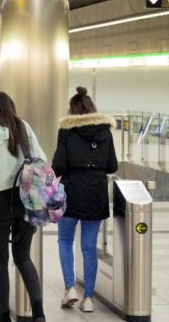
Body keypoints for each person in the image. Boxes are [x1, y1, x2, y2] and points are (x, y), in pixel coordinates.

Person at [0, 92, 46, 322]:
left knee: (0, 260)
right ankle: (39, 314)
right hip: (27, 198)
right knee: (23, 257)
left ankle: (4, 315)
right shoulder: (23, 127)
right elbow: (40, 159)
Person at [51, 87, 118, 312]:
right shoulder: (106, 132)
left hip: (71, 192)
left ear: (72, 110)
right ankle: (88, 299)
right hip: (96, 192)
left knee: (65, 240)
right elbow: (112, 166)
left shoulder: (66, 131)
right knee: (89, 247)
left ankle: (70, 288)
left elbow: (59, 166)